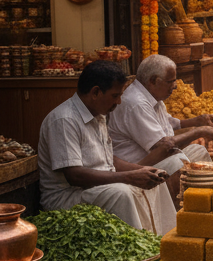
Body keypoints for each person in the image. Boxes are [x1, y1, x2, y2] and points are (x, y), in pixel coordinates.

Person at [37, 61, 176, 234]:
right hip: (67, 197)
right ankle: (140, 254)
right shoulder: (64, 120)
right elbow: (75, 176)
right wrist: (128, 177)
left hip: (96, 188)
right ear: (95, 92)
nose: (119, 101)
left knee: (156, 182)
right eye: (115, 95)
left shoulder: (99, 115)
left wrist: (143, 170)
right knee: (121, 193)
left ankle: (166, 243)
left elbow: (109, 159)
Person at [108, 55, 213, 200]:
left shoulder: (153, 96)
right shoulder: (136, 103)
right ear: (153, 81)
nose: (175, 86)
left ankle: (208, 197)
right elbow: (164, 148)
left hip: (157, 158)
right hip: (138, 165)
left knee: (198, 151)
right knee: (177, 161)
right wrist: (197, 132)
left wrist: (198, 120)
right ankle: (185, 206)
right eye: (170, 81)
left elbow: (168, 123)